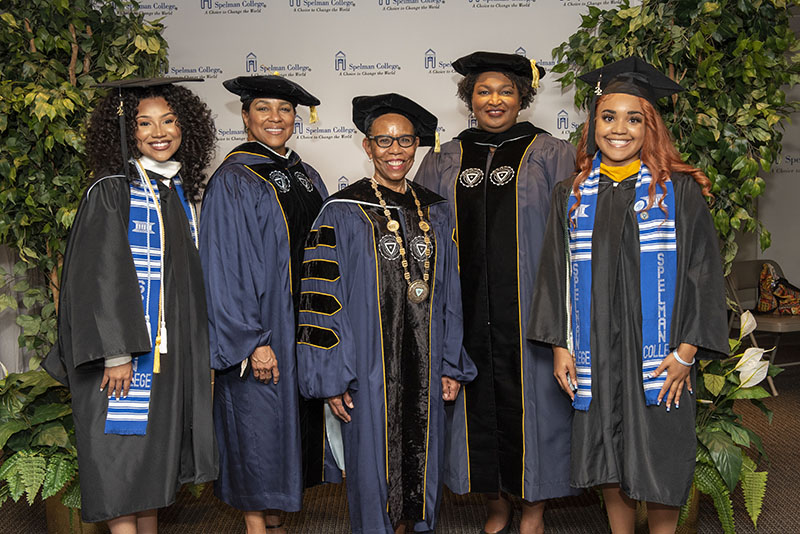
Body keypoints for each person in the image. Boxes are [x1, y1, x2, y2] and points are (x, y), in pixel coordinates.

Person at [527, 57, 729, 534]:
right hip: (594, 346)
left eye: (633, 118)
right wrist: (560, 346)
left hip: (660, 353)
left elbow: (703, 273)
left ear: (649, 127)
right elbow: (555, 273)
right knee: (607, 452)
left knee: (658, 450)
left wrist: (686, 352)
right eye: (608, 117)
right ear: (593, 124)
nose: (619, 129)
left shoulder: (676, 192)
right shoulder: (571, 194)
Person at [43, 77, 218, 533]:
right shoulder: (113, 191)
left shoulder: (174, 190)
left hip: (164, 355)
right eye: (145, 123)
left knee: (150, 459)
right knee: (121, 456)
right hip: (122, 358)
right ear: (127, 131)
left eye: (169, 120)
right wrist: (117, 354)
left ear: (186, 128)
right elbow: (100, 279)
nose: (159, 132)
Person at [296, 93, 477, 534]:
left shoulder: (436, 210)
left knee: (423, 471)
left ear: (417, 145)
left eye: (405, 141)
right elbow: (321, 297)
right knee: (371, 475)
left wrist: (451, 364)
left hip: (429, 368)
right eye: (384, 141)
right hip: (366, 372)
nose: (395, 151)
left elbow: (451, 292)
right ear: (367, 147)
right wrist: (332, 378)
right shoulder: (340, 212)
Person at [414, 51, 578, 533]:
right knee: (475, 400)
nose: (495, 99)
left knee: (537, 405)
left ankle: (533, 507)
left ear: (522, 98)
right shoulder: (446, 156)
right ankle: (495, 502)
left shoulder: (550, 153)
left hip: (530, 309)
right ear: (470, 99)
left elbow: (572, 233)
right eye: (483, 91)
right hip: (464, 309)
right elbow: (422, 228)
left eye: (506, 91)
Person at [199, 75, 328, 534]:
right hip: (263, 331)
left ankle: (273, 520)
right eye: (263, 109)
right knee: (256, 427)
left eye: (285, 110)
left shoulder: (305, 175)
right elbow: (224, 269)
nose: (276, 118)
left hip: (303, 332)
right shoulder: (233, 179)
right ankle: (257, 524)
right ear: (245, 116)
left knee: (285, 431)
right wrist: (253, 341)